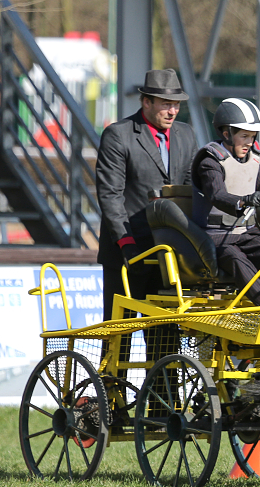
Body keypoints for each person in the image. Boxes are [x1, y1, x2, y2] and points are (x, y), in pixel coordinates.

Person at [96, 68, 198, 319]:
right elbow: (110, 195)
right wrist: (126, 243)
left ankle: (162, 361)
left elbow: (189, 192)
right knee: (119, 336)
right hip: (127, 252)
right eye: (166, 105)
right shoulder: (118, 135)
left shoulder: (185, 134)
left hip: (169, 254)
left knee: (164, 338)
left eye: (176, 105)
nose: (173, 111)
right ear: (146, 102)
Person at [191, 98, 260, 306]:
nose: (250, 142)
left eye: (252, 136)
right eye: (244, 136)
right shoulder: (210, 162)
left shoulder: (253, 161)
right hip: (217, 238)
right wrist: (244, 202)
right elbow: (217, 195)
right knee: (237, 261)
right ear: (226, 134)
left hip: (247, 233)